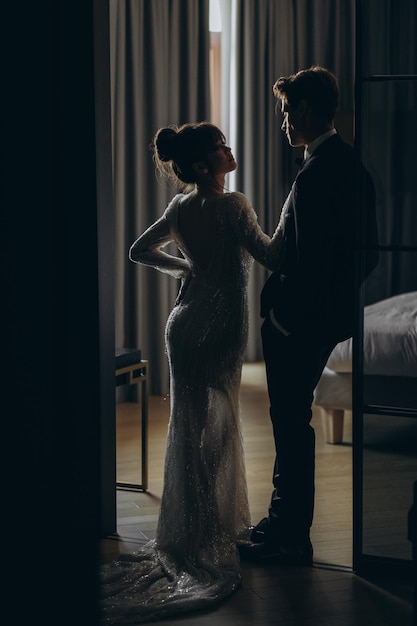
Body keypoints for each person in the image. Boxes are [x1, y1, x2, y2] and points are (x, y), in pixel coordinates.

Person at [100, 122, 285, 623]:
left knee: (189, 425)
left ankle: (190, 529)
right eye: (221, 146)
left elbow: (141, 250)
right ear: (204, 164)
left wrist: (186, 270)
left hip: (183, 323)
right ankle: (210, 529)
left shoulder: (180, 207)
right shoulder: (233, 205)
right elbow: (272, 254)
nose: (229, 149)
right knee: (218, 427)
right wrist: (291, 213)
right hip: (221, 326)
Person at [240, 66, 377, 566]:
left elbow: (311, 260)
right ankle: (284, 523)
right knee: (293, 424)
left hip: (296, 326)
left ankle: (290, 534)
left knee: (290, 426)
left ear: (305, 110)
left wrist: (285, 319)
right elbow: (370, 254)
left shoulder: (317, 174)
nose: (282, 121)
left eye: (285, 110)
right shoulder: (353, 167)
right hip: (320, 322)